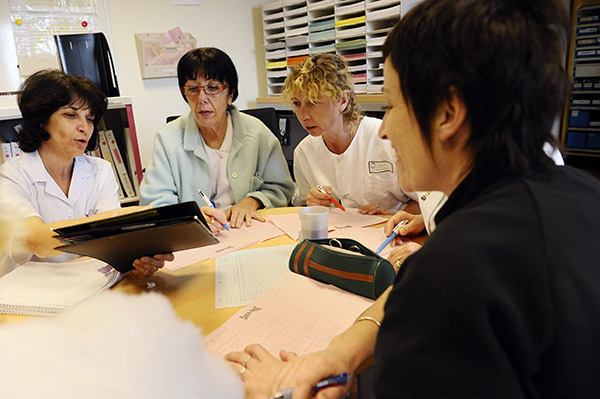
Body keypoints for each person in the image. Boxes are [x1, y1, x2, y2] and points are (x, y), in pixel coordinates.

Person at [226, 1, 600, 398]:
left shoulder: (456, 269)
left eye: (391, 104)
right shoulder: (582, 194)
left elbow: (436, 282)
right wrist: (340, 355)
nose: (384, 129)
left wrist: (281, 392)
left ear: (447, 113)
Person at [0, 69, 174, 277]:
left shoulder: (100, 169)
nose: (84, 127)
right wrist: (114, 220)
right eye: (71, 115)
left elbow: (112, 243)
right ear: (41, 119)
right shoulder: (11, 176)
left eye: (90, 118)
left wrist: (136, 257)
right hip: (30, 291)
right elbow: (37, 241)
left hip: (90, 280)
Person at [139, 47, 295, 228]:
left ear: (231, 94)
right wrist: (191, 216)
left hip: (248, 228)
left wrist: (253, 201)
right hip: (196, 234)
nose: (202, 98)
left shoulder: (257, 133)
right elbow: (154, 201)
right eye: (193, 89)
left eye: (213, 88)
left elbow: (281, 188)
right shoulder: (167, 139)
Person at [285, 53, 413, 215]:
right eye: (297, 103)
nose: (303, 115)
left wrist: (392, 218)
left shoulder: (387, 139)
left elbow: (424, 204)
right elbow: (303, 207)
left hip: (392, 236)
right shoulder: (304, 151)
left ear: (343, 100)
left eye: (313, 103)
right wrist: (313, 204)